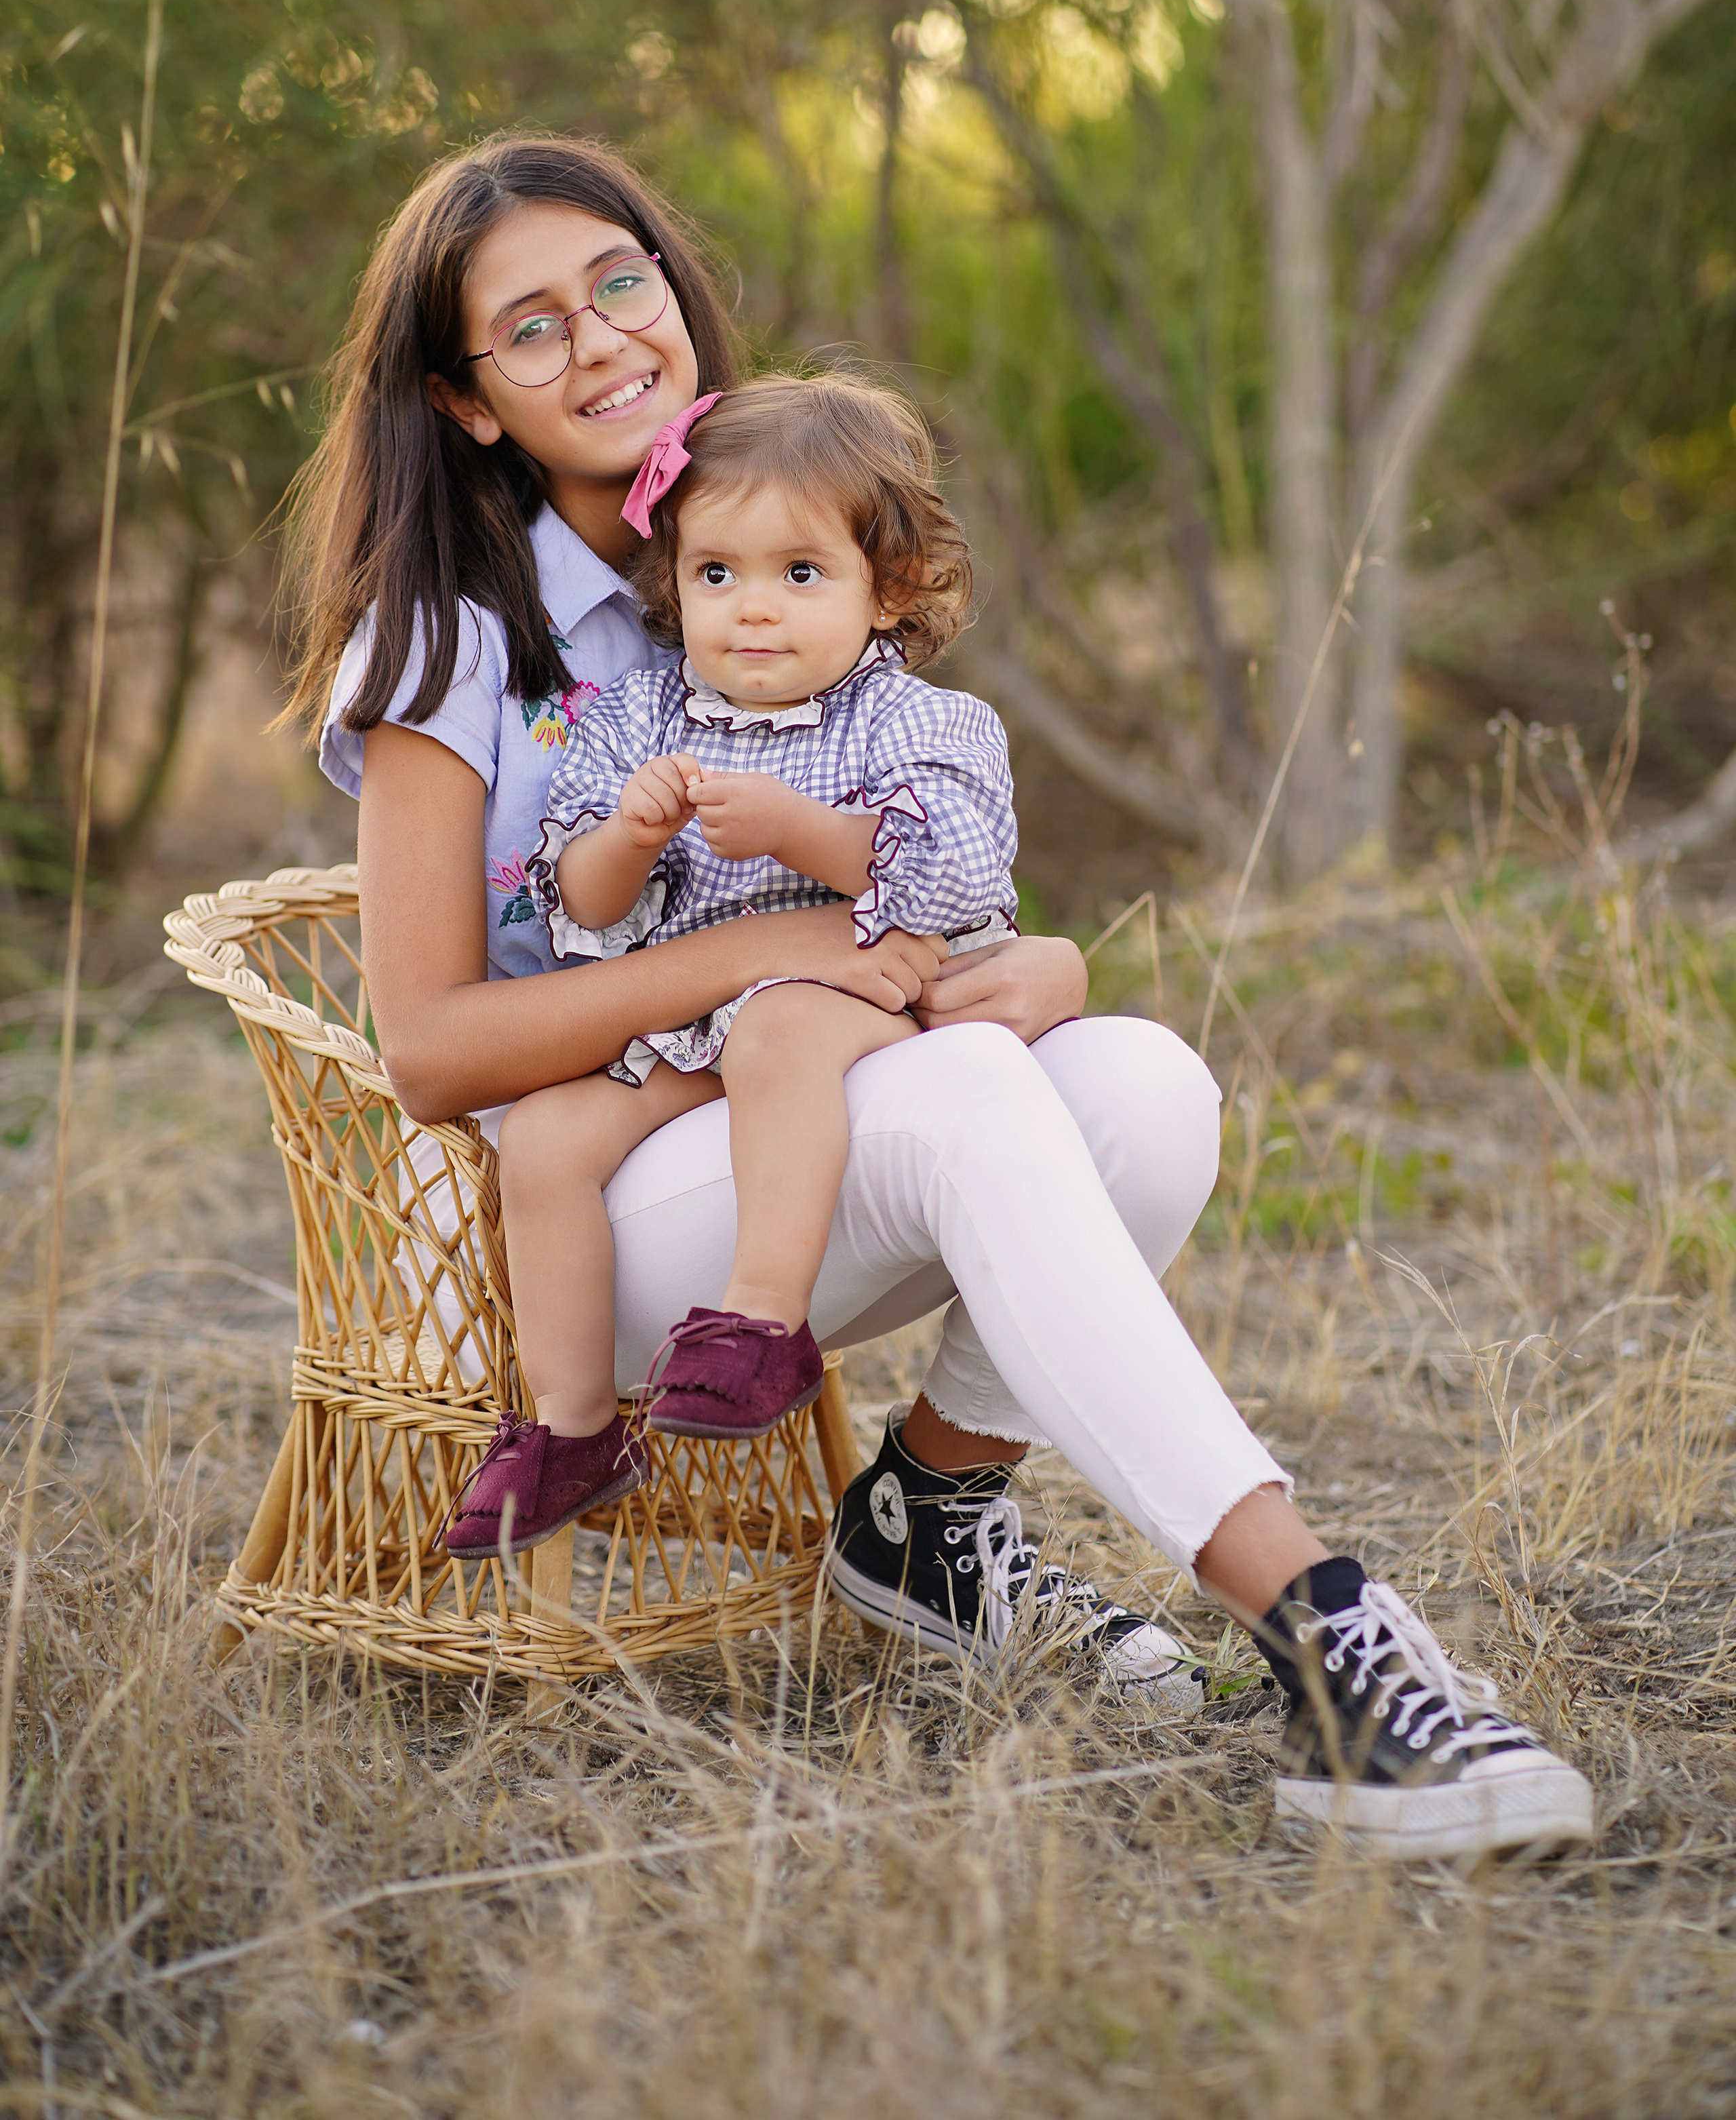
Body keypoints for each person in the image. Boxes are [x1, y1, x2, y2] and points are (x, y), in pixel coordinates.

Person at [290, 130, 1594, 1857]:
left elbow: (899, 862)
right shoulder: (446, 644)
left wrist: (1024, 968)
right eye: (529, 327)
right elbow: (431, 1050)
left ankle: (929, 1519)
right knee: (977, 1099)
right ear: (464, 401)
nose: (599, 336)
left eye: (622, 283)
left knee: (1139, 1082)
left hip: (796, 1128)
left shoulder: (779, 530)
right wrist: (751, 959)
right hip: (576, 1221)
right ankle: (1327, 1629)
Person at [443, 370, 1027, 1558]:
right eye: (718, 574)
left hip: (851, 1006)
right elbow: (583, 910)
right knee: (549, 1137)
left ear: (888, 590)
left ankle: (761, 1321)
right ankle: (570, 1427)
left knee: (778, 1028)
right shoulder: (646, 716)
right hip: (685, 1028)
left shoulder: (910, 720)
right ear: (674, 583)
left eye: (799, 574)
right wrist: (630, 836)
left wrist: (801, 833)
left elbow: (958, 879)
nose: (753, 610)